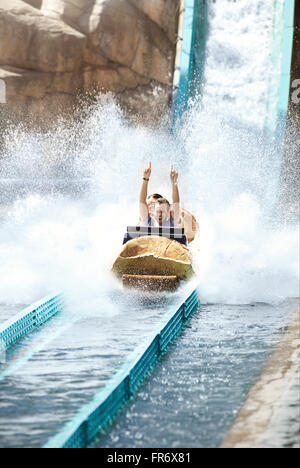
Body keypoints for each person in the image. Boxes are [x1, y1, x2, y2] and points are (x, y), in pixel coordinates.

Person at [139, 162, 181, 227]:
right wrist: (145, 179)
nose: (160, 214)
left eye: (163, 212)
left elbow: (176, 202)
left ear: (168, 213)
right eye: (158, 211)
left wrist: (174, 183)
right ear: (153, 212)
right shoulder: (148, 223)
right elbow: (142, 201)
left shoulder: (172, 224)